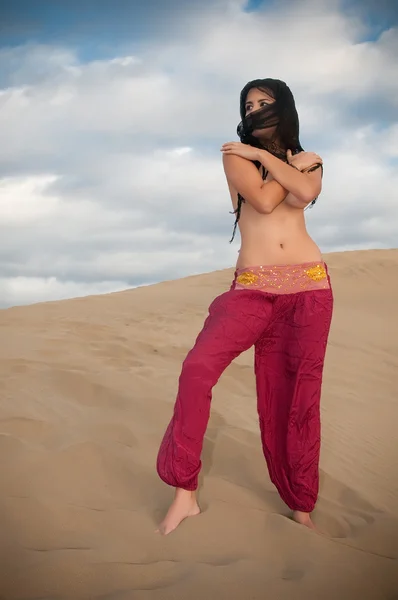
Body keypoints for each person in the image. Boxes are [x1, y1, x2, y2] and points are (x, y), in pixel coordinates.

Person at [156, 78, 333, 535]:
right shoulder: (238, 156)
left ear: (285, 109)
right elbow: (265, 198)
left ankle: (301, 506)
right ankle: (185, 493)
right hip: (252, 289)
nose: (254, 111)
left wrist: (280, 163)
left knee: (297, 397)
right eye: (248, 104)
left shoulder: (309, 161)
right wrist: (270, 159)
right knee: (197, 369)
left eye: (264, 103)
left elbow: (307, 194)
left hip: (310, 290)